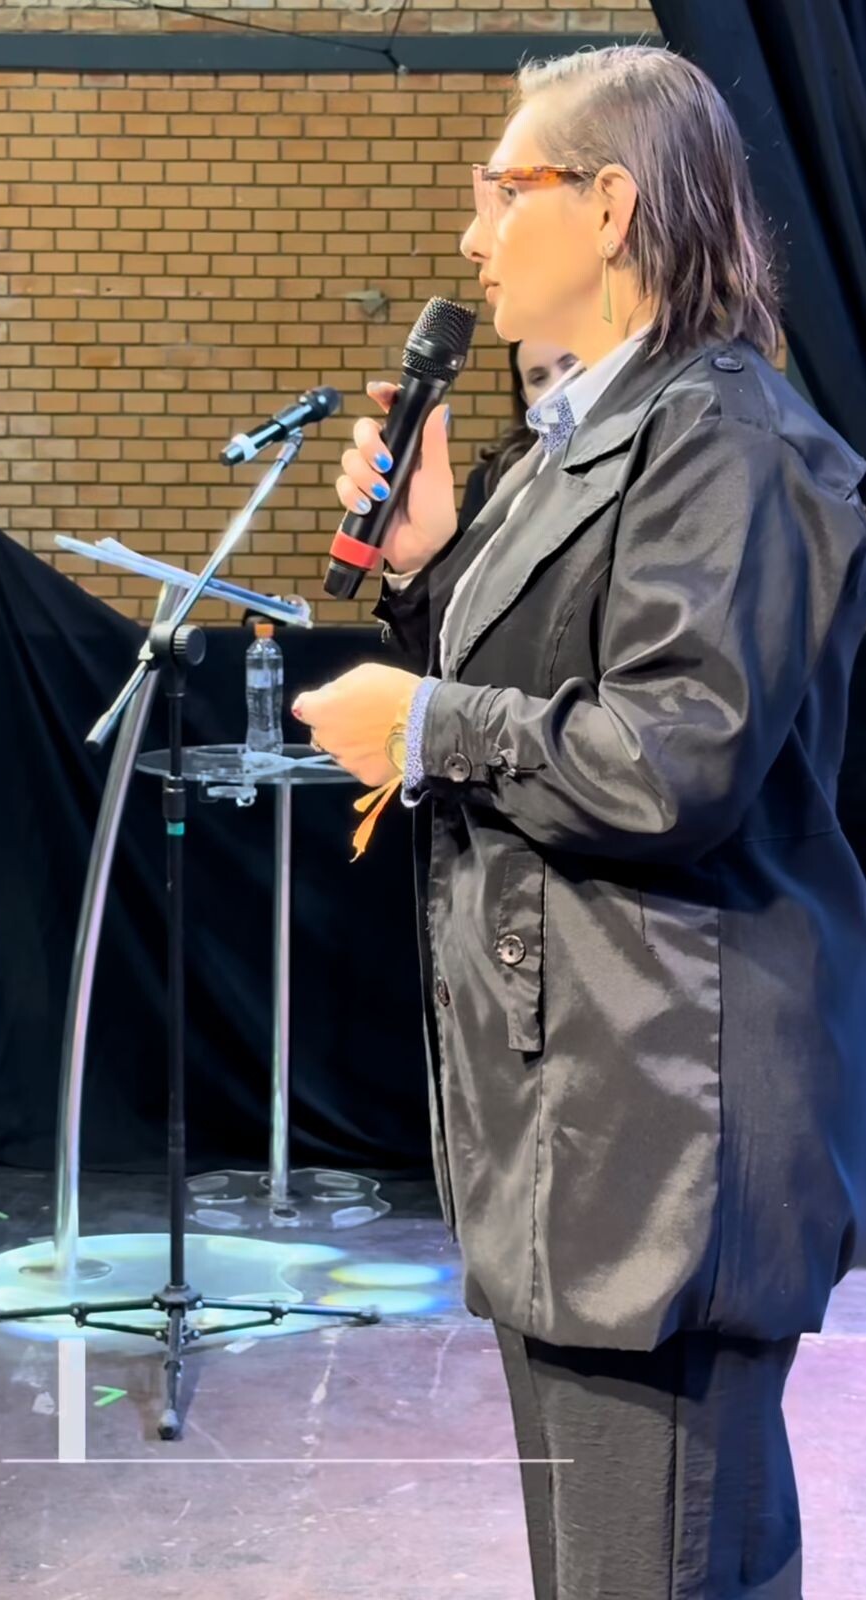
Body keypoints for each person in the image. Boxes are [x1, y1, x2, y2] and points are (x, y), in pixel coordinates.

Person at [292, 43, 866, 1600]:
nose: (471, 234)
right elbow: (556, 682)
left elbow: (672, 759)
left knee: (657, 1570)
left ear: (611, 207)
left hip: (665, 1129)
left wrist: (425, 723)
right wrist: (430, 563)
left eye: (503, 190)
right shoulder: (586, 436)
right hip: (587, 1121)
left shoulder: (725, 440)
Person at [459, 340, 577, 529]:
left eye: (570, 365)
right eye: (539, 378)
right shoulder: (491, 480)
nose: (558, 384)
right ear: (525, 397)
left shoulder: (629, 457)